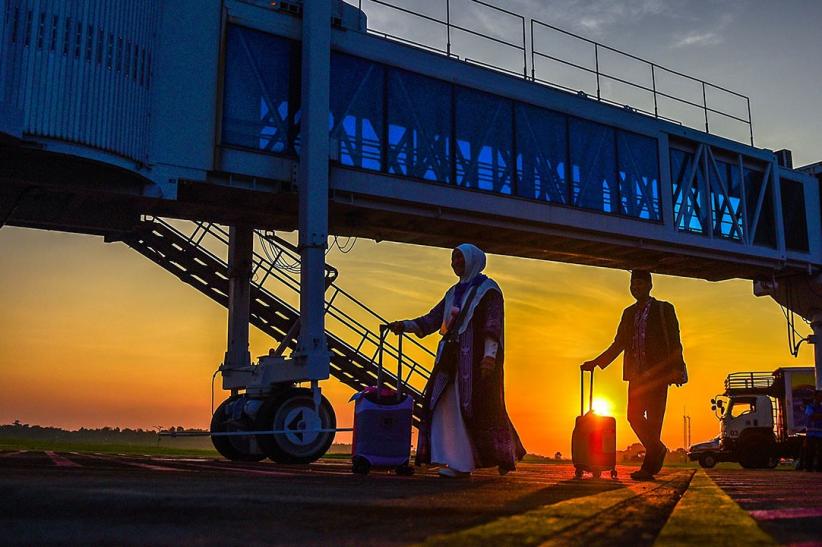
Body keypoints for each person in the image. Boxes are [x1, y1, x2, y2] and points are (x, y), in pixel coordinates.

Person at [388, 244, 525, 478]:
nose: (455, 264)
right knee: (442, 405)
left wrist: (489, 356)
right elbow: (432, 320)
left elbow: (493, 326)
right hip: (450, 357)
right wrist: (406, 326)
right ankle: (452, 459)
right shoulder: (453, 292)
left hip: (475, 362)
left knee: (478, 408)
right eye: (453, 259)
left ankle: (468, 462)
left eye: (459, 259)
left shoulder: (488, 290)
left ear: (473, 261)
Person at [581, 270, 687, 481]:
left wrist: (677, 369)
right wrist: (596, 362)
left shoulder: (664, 309)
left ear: (649, 285)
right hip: (636, 376)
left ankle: (648, 469)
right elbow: (619, 343)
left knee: (655, 421)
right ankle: (657, 448)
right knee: (633, 416)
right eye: (632, 284)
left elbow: (674, 341)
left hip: (658, 376)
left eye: (639, 284)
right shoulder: (628, 313)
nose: (635, 288)